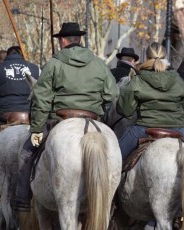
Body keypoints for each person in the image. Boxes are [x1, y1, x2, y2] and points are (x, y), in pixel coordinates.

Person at [11, 22, 118, 211]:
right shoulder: (99, 64)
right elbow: (112, 93)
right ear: (79, 40)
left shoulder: (54, 63)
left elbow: (41, 99)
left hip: (58, 120)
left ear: (62, 40)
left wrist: (36, 129)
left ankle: (22, 199)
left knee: (27, 152)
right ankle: (115, 202)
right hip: (92, 119)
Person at [117, 42, 184, 160]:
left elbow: (125, 110)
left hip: (144, 129)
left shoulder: (138, 80)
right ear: (165, 58)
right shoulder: (177, 79)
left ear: (146, 58)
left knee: (115, 158)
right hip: (176, 129)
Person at [0, 46, 40, 186]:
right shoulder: (36, 68)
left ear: (8, 56)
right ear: (21, 55)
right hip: (32, 118)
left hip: (6, 117)